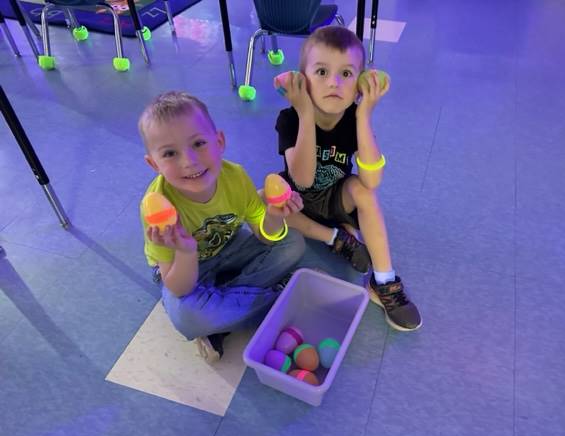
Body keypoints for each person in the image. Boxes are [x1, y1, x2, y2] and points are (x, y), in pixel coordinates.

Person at [139, 91, 305, 364]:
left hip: (230, 245)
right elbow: (179, 288)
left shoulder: (236, 177)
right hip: (184, 268)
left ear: (220, 142)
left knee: (292, 244)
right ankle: (276, 298)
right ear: (154, 164)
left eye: (199, 143)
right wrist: (186, 250)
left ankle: (222, 316)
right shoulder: (156, 206)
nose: (189, 161)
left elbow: (266, 237)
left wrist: (275, 214)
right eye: (170, 153)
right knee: (188, 319)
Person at [274, 26, 421, 331]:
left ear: (359, 84)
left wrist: (364, 114)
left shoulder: (355, 118)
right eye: (322, 71)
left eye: (346, 74)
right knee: (266, 198)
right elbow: (301, 179)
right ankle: (335, 238)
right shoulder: (290, 117)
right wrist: (304, 114)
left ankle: (383, 281)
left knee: (364, 191)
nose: (333, 83)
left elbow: (373, 179)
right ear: (303, 80)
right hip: (299, 203)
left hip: (335, 197)